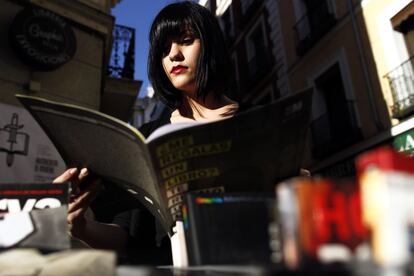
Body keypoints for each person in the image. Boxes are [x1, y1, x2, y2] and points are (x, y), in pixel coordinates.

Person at [53, 1, 243, 265]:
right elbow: (129, 237)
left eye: (186, 41)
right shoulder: (147, 138)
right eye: (164, 49)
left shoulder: (258, 121)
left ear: (211, 44)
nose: (173, 55)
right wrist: (80, 226)